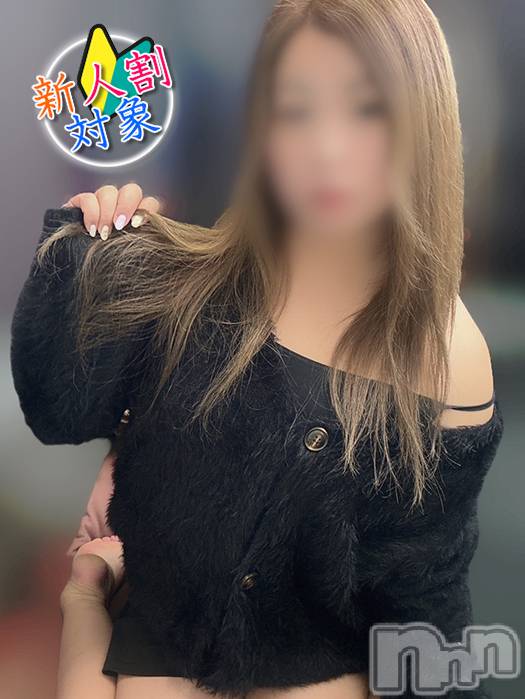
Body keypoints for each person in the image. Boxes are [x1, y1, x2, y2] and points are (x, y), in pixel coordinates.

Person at [11, 0, 503, 697]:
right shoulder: (190, 282)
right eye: (295, 110)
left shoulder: (443, 348)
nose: (326, 148)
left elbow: (424, 599)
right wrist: (82, 246)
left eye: (367, 109)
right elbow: (56, 407)